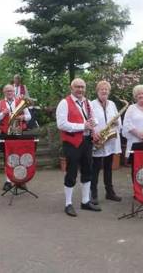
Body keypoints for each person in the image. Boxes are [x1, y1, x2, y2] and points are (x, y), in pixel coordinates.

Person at [56, 78, 101, 217]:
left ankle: (85, 201)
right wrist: (83, 126)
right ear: (71, 88)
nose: (80, 89)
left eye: (82, 87)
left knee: (88, 170)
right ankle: (68, 204)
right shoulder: (64, 103)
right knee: (71, 172)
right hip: (71, 143)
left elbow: (94, 118)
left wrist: (95, 123)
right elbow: (61, 124)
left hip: (87, 141)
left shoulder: (87, 102)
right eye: (77, 87)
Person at [0, 84, 31, 191]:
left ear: (14, 92)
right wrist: (2, 114)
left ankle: (20, 180)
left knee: (20, 157)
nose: (9, 93)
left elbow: (29, 117)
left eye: (11, 91)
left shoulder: (21, 101)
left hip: (18, 133)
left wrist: (23, 117)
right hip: (5, 133)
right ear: (4, 92)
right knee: (7, 157)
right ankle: (8, 181)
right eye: (7, 91)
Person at [91, 81, 122, 205]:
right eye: (101, 89)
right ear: (97, 91)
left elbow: (118, 118)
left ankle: (110, 192)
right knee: (95, 168)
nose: (104, 91)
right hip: (98, 139)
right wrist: (94, 133)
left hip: (110, 140)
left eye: (106, 89)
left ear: (109, 91)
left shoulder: (112, 104)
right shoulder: (91, 104)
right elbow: (89, 120)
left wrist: (117, 123)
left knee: (108, 168)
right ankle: (93, 194)